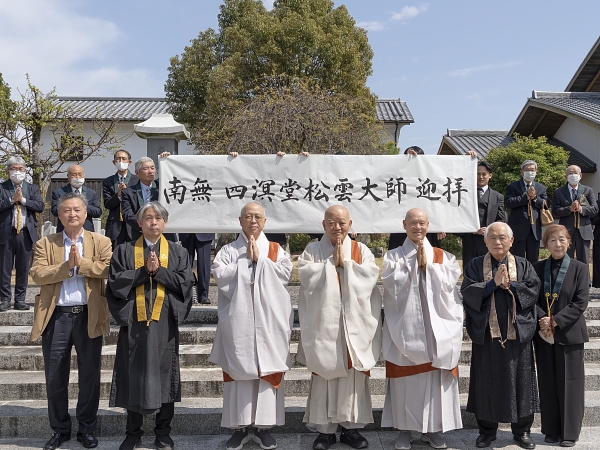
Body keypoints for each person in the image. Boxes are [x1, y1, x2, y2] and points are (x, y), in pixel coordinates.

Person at [106, 201, 194, 450]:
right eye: (148, 218)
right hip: (134, 324)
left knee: (165, 374)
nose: (153, 222)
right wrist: (144, 272)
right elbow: (115, 282)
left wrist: (159, 272)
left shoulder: (179, 252)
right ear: (139, 223)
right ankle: (133, 433)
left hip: (164, 323)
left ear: (165, 223)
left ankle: (163, 432)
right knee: (133, 373)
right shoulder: (124, 250)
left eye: (158, 218)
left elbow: (185, 284)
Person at [30, 193, 112, 450]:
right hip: (57, 316)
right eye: (67, 210)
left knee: (90, 374)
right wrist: (66, 267)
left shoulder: (101, 241)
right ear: (59, 214)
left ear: (86, 214)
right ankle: (60, 429)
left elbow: (108, 268)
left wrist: (82, 264)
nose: (72, 214)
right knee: (55, 376)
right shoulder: (46, 243)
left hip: (89, 314)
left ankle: (86, 428)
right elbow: (37, 274)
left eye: (77, 210)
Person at [210, 202, 293, 450]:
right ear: (240, 220)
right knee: (238, 372)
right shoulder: (228, 250)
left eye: (257, 216)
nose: (253, 220)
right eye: (248, 216)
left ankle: (263, 428)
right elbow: (220, 276)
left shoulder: (276, 249)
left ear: (265, 221)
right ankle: (239, 428)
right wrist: (247, 262)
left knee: (267, 371)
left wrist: (262, 261)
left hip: (269, 322)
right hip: (238, 323)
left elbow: (286, 275)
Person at [298, 205, 382, 450]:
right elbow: (305, 277)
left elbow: (371, 276)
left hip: (353, 324)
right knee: (324, 374)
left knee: (352, 375)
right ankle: (324, 432)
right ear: (323, 225)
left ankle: (350, 429)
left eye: (341, 222)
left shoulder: (360, 250)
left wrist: (346, 264)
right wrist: (329, 265)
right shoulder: (312, 250)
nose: (337, 227)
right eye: (331, 222)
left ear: (350, 224)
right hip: (324, 324)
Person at [381, 208, 463, 450]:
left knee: (434, 381)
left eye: (422, 223)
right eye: (413, 223)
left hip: (435, 330)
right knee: (405, 383)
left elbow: (451, 283)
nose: (418, 227)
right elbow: (390, 284)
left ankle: (433, 429)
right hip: (406, 328)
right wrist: (412, 263)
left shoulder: (443, 256)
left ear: (428, 225)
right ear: (404, 225)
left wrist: (430, 267)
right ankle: (404, 430)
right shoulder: (393, 256)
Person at [461, 222, 541, 449]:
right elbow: (467, 292)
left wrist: (511, 285)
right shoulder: (475, 265)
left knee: (522, 382)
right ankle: (487, 431)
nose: (497, 242)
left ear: (511, 241)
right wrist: (492, 284)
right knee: (486, 382)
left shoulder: (523, 264)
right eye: (492, 238)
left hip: (517, 336)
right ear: (485, 241)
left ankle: (522, 431)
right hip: (488, 336)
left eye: (502, 237)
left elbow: (533, 290)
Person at [533, 225, 589, 447]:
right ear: (545, 244)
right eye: (553, 240)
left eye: (562, 239)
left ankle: (569, 433)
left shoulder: (579, 268)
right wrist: (543, 319)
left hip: (569, 333)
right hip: (544, 333)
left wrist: (556, 320)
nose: (558, 244)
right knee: (547, 382)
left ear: (569, 242)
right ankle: (551, 429)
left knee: (570, 384)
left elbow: (581, 301)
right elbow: (530, 298)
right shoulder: (537, 268)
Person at [388, 147, 477, 251]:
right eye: (409, 158)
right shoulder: (397, 178)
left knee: (429, 259)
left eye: (417, 159)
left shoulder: (433, 177)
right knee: (399, 258)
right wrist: (404, 163)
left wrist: (465, 160)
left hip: (429, 231)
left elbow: (448, 188)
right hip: (400, 231)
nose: (414, 162)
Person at [0, 156, 44, 311]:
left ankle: (20, 299)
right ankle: (5, 299)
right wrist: (12, 200)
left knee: (23, 267)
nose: (18, 172)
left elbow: (39, 206)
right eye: (14, 169)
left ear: (25, 171)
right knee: (4, 267)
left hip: (25, 232)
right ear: (7, 171)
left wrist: (23, 200)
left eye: (21, 169)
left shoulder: (32, 188)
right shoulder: (2, 187)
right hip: (6, 231)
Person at [458, 161, 505, 268]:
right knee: (469, 269)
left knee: (488, 269)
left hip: (489, 239)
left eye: (484, 174)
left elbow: (501, 219)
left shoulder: (498, 197)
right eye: (478, 174)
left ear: (490, 175)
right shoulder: (464, 193)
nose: (481, 177)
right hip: (469, 238)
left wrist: (489, 229)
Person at [121, 155, 176, 242]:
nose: (150, 171)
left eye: (152, 168)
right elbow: (127, 214)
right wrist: (145, 225)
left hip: (164, 234)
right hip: (139, 234)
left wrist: (167, 159)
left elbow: (172, 173)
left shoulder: (162, 186)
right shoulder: (128, 192)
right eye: (146, 168)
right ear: (137, 173)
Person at [552, 165, 597, 265]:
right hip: (566, 231)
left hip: (584, 231)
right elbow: (555, 211)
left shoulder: (587, 190)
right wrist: (569, 209)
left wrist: (581, 209)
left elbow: (595, 209)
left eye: (575, 173)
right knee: (566, 260)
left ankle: (584, 276)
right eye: (570, 173)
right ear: (566, 177)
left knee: (584, 261)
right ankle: (568, 276)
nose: (573, 175)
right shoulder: (559, 192)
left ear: (580, 176)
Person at [505, 160, 548, 263]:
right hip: (518, 227)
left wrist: (535, 198)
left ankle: (531, 274)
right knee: (516, 258)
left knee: (533, 260)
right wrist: (526, 196)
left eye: (532, 170)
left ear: (536, 172)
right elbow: (509, 202)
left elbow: (546, 204)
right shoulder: (513, 186)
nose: (530, 172)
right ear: (522, 172)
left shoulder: (541, 188)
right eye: (527, 170)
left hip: (534, 228)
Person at [102, 149, 139, 250]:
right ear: (114, 162)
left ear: (129, 162)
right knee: (116, 253)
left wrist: (127, 193)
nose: (121, 161)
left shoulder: (137, 180)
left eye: (124, 159)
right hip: (115, 225)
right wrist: (118, 195)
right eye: (118, 159)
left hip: (133, 225)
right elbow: (107, 204)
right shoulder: (108, 181)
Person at [51, 165, 102, 233]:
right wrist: (68, 206)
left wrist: (81, 205)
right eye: (74, 175)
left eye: (80, 174)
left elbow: (98, 212)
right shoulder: (59, 192)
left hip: (86, 231)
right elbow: (54, 211)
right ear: (68, 176)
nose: (78, 177)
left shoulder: (91, 193)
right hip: (65, 231)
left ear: (84, 175)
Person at [179, 232, 214, 304]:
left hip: (205, 232)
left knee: (204, 265)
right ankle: (185, 293)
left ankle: (203, 295)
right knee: (185, 264)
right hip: (186, 231)